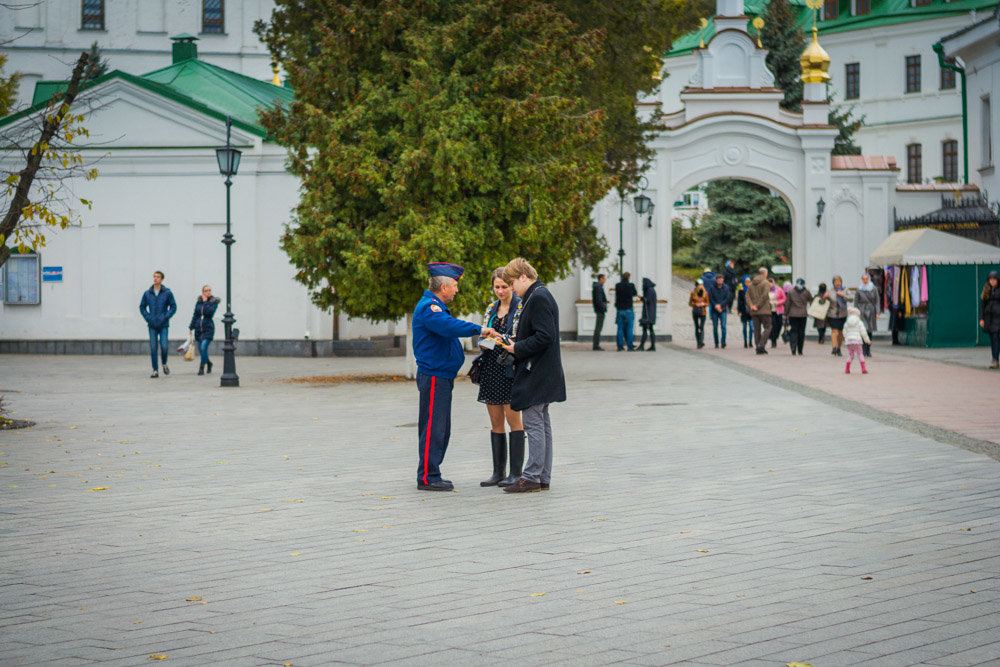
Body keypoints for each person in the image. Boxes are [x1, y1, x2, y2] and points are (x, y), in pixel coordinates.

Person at [411, 262, 495, 491]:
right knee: (433, 427)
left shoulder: (433, 305)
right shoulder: (430, 307)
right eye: (455, 285)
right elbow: (449, 327)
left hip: (441, 375)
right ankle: (427, 477)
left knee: (441, 427)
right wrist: (480, 329)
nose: (457, 290)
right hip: (434, 375)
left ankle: (433, 472)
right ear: (445, 286)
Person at [499, 258, 566, 493]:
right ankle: (542, 476)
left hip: (536, 370)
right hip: (542, 369)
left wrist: (517, 348)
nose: (511, 288)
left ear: (523, 277)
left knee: (534, 423)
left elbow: (544, 336)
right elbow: (541, 333)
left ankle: (532, 476)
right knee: (542, 423)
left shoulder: (537, 297)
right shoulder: (539, 294)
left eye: (512, 282)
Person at [477, 269, 524, 487]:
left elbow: (519, 337)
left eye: (504, 287)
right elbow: (481, 338)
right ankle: (498, 472)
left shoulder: (520, 307)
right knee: (495, 421)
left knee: (513, 420)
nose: (501, 291)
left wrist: (499, 339)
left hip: (509, 370)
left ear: (512, 286)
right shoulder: (491, 308)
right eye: (497, 287)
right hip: (491, 370)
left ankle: (516, 473)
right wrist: (487, 340)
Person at [139, 270, 177, 378]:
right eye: (154, 276)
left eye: (158, 277)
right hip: (152, 325)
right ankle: (155, 370)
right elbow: (142, 307)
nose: (155, 278)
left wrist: (165, 316)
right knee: (153, 348)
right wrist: (148, 317)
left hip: (163, 325)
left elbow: (173, 307)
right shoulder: (147, 293)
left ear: (162, 279)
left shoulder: (167, 293)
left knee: (164, 346)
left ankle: (164, 363)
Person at [188, 285, 220, 375]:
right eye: (206, 290)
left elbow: (209, 312)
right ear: (203, 292)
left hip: (208, 329)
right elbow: (195, 315)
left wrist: (206, 302)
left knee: (203, 347)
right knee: (202, 350)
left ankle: (201, 367)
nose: (208, 292)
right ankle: (209, 363)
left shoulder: (213, 302)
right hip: (198, 329)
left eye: (209, 290)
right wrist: (191, 327)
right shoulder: (199, 302)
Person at [748, 268, 772, 354]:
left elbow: (747, 296)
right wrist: (757, 306)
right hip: (764, 310)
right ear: (765, 274)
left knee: (756, 329)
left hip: (754, 311)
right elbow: (764, 295)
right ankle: (761, 345)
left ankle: (758, 347)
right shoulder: (766, 283)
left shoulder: (751, 283)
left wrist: (751, 306)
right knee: (768, 327)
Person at [785, 278, 812, 356]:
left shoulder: (791, 292)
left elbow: (787, 304)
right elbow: (811, 300)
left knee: (793, 331)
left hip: (793, 315)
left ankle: (793, 348)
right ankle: (800, 350)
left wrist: (785, 313)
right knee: (801, 332)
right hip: (803, 315)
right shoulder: (806, 292)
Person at [855, 273, 880, 357]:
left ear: (869, 279)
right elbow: (856, 302)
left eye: (866, 279)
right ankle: (863, 349)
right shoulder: (859, 289)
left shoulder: (873, 289)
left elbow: (877, 301)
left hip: (871, 310)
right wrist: (856, 313)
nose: (865, 281)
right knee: (862, 330)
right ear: (862, 280)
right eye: (863, 279)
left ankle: (868, 349)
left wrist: (877, 312)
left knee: (870, 329)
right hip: (862, 310)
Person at [980, 270, 1000, 369]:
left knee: (996, 337)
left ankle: (995, 359)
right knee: (993, 338)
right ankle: (995, 359)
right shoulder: (986, 290)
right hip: (989, 318)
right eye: (990, 280)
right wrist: (981, 318)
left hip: (998, 318)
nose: (992, 281)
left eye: (994, 279)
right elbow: (982, 305)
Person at [842, 306, 871, 374]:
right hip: (857, 341)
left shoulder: (847, 322)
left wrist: (846, 338)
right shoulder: (859, 322)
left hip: (849, 341)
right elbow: (863, 332)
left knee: (850, 355)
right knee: (860, 354)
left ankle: (847, 369)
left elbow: (844, 332)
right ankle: (863, 368)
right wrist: (867, 340)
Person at [614, 272, 638, 351]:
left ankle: (619, 346)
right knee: (629, 329)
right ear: (628, 277)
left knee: (620, 329)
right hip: (628, 309)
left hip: (620, 309)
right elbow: (635, 293)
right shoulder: (631, 285)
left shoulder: (617, 285)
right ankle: (630, 346)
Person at [707, 272, 731, 349]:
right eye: (718, 279)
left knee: (723, 326)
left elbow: (727, 298)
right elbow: (710, 298)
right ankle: (716, 342)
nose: (720, 281)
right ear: (716, 280)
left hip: (723, 309)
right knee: (715, 327)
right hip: (715, 309)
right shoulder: (712, 288)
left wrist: (721, 305)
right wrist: (716, 305)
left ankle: (723, 342)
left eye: (721, 279)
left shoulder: (726, 288)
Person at [826, 275, 848, 356]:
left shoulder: (845, 290)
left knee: (840, 332)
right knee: (834, 330)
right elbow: (824, 301)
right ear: (833, 283)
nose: (837, 283)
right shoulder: (830, 290)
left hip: (842, 314)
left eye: (839, 281)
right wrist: (825, 297)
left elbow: (851, 298)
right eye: (836, 282)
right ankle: (834, 347)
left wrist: (843, 295)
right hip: (832, 313)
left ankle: (839, 348)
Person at [637, 277, 657, 351]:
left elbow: (647, 300)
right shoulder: (652, 290)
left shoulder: (649, 290)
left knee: (645, 329)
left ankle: (642, 345)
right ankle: (652, 346)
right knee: (650, 329)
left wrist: (641, 297)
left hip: (648, 314)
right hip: (651, 313)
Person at [689, 279, 709, 349]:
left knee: (701, 327)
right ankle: (698, 342)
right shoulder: (693, 293)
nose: (701, 286)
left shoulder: (705, 293)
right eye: (699, 285)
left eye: (702, 285)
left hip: (703, 311)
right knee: (697, 327)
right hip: (696, 311)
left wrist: (703, 304)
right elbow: (690, 303)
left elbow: (708, 303)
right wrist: (695, 304)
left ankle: (701, 341)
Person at [591, 273, 608, 351]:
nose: (605, 280)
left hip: (599, 309)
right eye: (604, 278)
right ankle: (596, 345)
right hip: (600, 310)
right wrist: (603, 306)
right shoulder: (598, 287)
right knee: (598, 328)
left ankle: (596, 344)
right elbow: (599, 299)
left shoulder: (597, 287)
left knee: (598, 327)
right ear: (601, 279)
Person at [737, 275, 754, 348]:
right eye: (746, 282)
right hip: (743, 311)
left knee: (751, 326)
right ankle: (745, 341)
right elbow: (739, 302)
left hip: (751, 310)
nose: (748, 283)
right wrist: (739, 311)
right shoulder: (741, 291)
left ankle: (750, 341)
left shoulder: (752, 290)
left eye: (749, 282)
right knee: (744, 326)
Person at [768, 278, 785, 348]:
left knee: (779, 324)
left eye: (771, 283)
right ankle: (773, 340)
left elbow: (784, 298)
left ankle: (775, 336)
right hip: (770, 311)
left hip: (778, 310)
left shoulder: (779, 289)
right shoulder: (766, 290)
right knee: (773, 325)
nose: (770, 284)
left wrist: (778, 302)